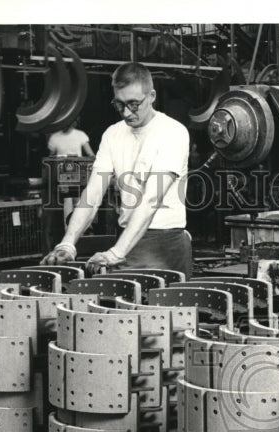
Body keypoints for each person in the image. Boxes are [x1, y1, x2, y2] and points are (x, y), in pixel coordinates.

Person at [41, 62, 192, 275]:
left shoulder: (173, 132)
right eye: (119, 104)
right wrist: (67, 243)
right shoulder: (113, 135)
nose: (127, 112)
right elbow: (93, 194)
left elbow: (150, 199)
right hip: (125, 238)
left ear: (152, 96)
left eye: (134, 104)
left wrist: (115, 254)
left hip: (164, 243)